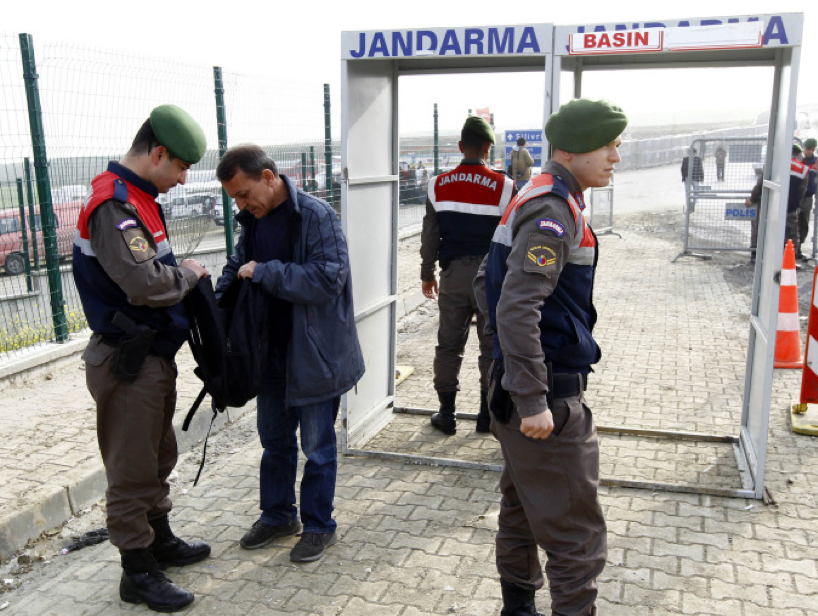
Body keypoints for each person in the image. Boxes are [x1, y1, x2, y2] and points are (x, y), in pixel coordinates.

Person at [482, 98, 627, 616]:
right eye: (606, 144)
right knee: (576, 539)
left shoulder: (539, 193)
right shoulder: (552, 208)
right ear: (569, 150)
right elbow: (517, 306)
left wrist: (506, 369)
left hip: (516, 385)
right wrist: (532, 397)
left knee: (521, 511)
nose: (615, 154)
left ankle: (517, 609)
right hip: (545, 399)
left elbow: (487, 283)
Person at [72, 105, 211, 612]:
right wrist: (192, 274)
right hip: (126, 361)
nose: (183, 178)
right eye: (181, 167)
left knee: (156, 457)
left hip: (150, 357)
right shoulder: (115, 205)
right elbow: (146, 282)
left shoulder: (140, 199)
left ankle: (160, 542)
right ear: (157, 154)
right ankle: (137, 572)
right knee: (131, 470)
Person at [215, 144, 364, 563]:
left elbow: (329, 277)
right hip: (271, 356)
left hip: (315, 355)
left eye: (244, 194)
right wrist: (216, 299)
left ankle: (319, 526)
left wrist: (266, 272)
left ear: (268, 177)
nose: (241, 205)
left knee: (317, 447)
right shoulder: (253, 221)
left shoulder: (316, 216)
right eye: (234, 200)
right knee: (274, 443)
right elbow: (239, 263)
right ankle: (279, 515)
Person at [420, 116, 516, 435]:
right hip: (490, 277)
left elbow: (430, 237)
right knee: (490, 346)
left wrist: (427, 274)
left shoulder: (437, 185)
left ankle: (447, 414)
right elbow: (511, 237)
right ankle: (487, 417)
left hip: (452, 275)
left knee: (448, 345)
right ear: (488, 148)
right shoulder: (506, 187)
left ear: (461, 147)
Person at [797, 138, 817, 260]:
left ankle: (798, 246)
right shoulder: (800, 160)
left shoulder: (816, 162)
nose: (808, 151)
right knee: (794, 222)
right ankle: (795, 249)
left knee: (804, 223)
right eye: (806, 149)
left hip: (807, 197)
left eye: (810, 149)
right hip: (797, 195)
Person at [788, 143, 808, 257]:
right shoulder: (803, 169)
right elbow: (802, 190)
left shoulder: (777, 163)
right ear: (799, 154)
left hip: (775, 205)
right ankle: (790, 260)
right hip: (792, 206)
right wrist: (798, 205)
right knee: (791, 234)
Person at [746, 174, 763, 263]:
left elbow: (758, 188)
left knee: (756, 228)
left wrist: (752, 199)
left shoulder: (768, 171)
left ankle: (755, 252)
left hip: (762, 206)